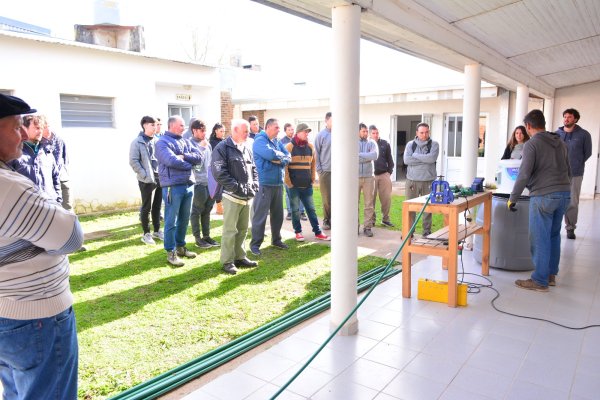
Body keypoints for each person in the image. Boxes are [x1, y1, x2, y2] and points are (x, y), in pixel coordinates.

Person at [0, 93, 83, 399]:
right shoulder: (9, 187)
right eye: (16, 126)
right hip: (34, 315)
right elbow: (72, 237)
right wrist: (52, 217)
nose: (24, 133)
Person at [509, 109, 571, 291]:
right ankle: (550, 275)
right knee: (553, 235)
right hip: (564, 194)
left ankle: (539, 281)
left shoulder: (532, 144)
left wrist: (513, 199)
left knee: (539, 238)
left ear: (528, 126)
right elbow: (569, 169)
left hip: (544, 195)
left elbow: (524, 174)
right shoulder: (559, 142)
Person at [211, 119, 259, 275]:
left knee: (243, 229)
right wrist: (237, 187)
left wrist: (255, 185)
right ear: (235, 130)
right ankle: (227, 261)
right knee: (230, 230)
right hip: (232, 196)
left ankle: (240, 256)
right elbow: (219, 173)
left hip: (246, 196)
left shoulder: (246, 148)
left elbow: (254, 170)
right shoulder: (222, 148)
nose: (248, 133)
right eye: (245, 131)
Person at [156, 115, 202, 267]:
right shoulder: (162, 142)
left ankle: (181, 247)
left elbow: (199, 157)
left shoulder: (185, 141)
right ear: (172, 126)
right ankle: (171, 252)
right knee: (171, 220)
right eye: (182, 125)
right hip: (172, 186)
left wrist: (185, 156)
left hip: (188, 184)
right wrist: (191, 165)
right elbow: (171, 161)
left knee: (184, 218)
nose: (185, 128)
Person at [249, 118, 291, 255]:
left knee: (278, 214)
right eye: (276, 128)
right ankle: (255, 244)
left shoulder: (276, 141)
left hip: (278, 183)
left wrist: (279, 159)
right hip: (264, 183)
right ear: (268, 128)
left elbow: (288, 156)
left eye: (279, 128)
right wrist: (280, 158)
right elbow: (270, 154)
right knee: (260, 215)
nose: (279, 130)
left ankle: (276, 239)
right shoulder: (260, 140)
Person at [284, 123, 330, 242]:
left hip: (307, 185)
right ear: (298, 133)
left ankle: (318, 232)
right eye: (305, 131)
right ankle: (298, 232)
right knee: (295, 210)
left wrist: (312, 178)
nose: (307, 133)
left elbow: (313, 164)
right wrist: (289, 183)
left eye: (308, 132)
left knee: (311, 209)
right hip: (293, 186)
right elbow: (285, 166)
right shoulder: (289, 147)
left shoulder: (310, 147)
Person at [556, 108, 592, 240]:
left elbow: (587, 153)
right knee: (557, 200)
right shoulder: (556, 134)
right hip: (558, 173)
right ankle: (555, 227)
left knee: (572, 201)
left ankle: (570, 228)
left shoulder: (584, 135)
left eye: (569, 117)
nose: (566, 119)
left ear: (575, 119)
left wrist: (576, 162)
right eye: (565, 116)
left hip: (576, 173)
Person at [9, 114, 61, 203]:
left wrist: (58, 198)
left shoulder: (47, 152)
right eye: (36, 128)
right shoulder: (15, 154)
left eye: (41, 128)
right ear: (24, 129)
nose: (40, 131)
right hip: (28, 208)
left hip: (51, 205)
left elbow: (55, 177)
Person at [129, 115, 164, 245]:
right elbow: (133, 161)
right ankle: (146, 233)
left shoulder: (157, 141)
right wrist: (144, 175)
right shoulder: (137, 142)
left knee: (157, 206)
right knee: (146, 207)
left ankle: (157, 230)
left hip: (159, 177)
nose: (155, 127)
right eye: (152, 125)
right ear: (144, 125)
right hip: (146, 180)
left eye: (156, 125)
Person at [403, 122, 439, 237]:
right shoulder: (410, 145)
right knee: (410, 206)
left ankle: (426, 232)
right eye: (422, 132)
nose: (424, 135)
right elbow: (407, 160)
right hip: (412, 181)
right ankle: (409, 232)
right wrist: (425, 160)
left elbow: (431, 158)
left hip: (429, 181)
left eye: (426, 132)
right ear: (417, 133)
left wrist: (415, 155)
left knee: (428, 208)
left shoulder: (434, 144)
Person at [189, 119, 219, 249]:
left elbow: (211, 162)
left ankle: (206, 236)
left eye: (205, 130)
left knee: (207, 210)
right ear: (194, 130)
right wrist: (201, 147)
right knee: (196, 211)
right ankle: (198, 238)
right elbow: (196, 165)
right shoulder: (190, 144)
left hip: (210, 182)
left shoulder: (208, 144)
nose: (204, 133)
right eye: (202, 131)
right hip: (198, 183)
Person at [41, 115, 73, 210]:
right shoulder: (38, 144)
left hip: (62, 179)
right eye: (44, 127)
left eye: (48, 126)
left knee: (67, 209)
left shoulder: (59, 140)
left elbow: (65, 160)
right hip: (47, 182)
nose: (47, 129)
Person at [370, 124, 395, 227]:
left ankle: (385, 219)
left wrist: (389, 172)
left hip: (384, 174)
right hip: (371, 176)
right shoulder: (367, 144)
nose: (376, 135)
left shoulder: (385, 144)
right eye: (373, 133)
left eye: (377, 133)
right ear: (370, 134)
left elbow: (390, 160)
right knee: (371, 199)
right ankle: (371, 220)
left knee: (386, 198)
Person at [280, 122, 306, 221]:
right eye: (289, 130)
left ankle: (302, 212)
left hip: (299, 170)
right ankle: (290, 212)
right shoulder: (281, 142)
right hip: (287, 170)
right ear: (285, 131)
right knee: (288, 192)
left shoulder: (299, 140)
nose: (291, 131)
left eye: (292, 129)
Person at [358, 123, 379, 237]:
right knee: (354, 203)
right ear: (358, 132)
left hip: (368, 177)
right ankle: (354, 227)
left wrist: (359, 155)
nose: (366, 133)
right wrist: (366, 156)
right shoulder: (352, 142)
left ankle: (367, 227)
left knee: (369, 203)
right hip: (354, 177)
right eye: (363, 131)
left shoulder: (372, 143)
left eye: (366, 131)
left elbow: (374, 156)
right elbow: (351, 157)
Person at [315, 111, 332, 230]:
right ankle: (326, 220)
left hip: (339, 173)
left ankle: (336, 220)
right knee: (327, 198)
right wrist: (319, 170)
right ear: (326, 121)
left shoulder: (341, 134)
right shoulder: (321, 135)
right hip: (325, 172)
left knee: (339, 197)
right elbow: (316, 153)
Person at [209, 122, 225, 215]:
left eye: (224, 131)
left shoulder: (223, 140)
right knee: (217, 187)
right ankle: (219, 207)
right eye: (221, 131)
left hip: (223, 166)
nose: (223, 133)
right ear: (216, 131)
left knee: (222, 187)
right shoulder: (212, 142)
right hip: (215, 167)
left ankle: (221, 206)